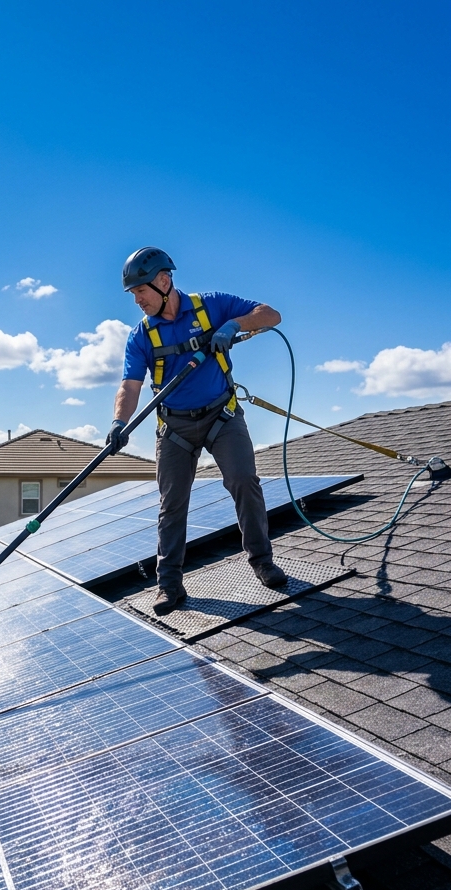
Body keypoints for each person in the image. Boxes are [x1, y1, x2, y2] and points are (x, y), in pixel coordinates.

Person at [106, 247, 288, 615]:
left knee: (243, 480)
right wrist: (119, 423)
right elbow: (130, 386)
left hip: (222, 416)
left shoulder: (211, 306)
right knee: (171, 505)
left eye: (141, 290)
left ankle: (261, 560)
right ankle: (169, 585)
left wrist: (234, 324)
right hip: (174, 428)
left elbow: (271, 314)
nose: (138, 300)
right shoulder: (141, 336)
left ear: (163, 280)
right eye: (134, 295)